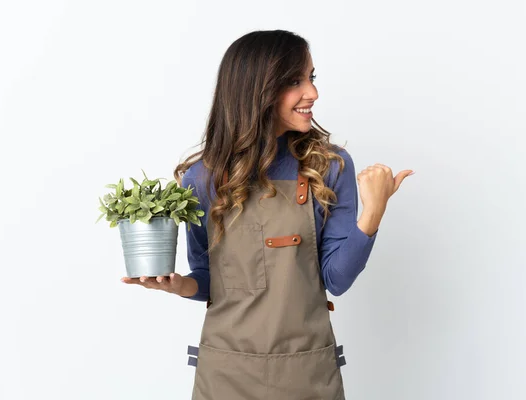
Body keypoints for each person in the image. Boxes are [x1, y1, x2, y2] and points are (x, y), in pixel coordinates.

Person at [122, 29, 414, 399]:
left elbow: (336, 280)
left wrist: (373, 212)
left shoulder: (328, 167)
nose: (313, 93)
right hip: (226, 375)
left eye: (311, 77)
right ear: (257, 90)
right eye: (295, 81)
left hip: (307, 373)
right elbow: (210, 279)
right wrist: (179, 285)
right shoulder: (203, 179)